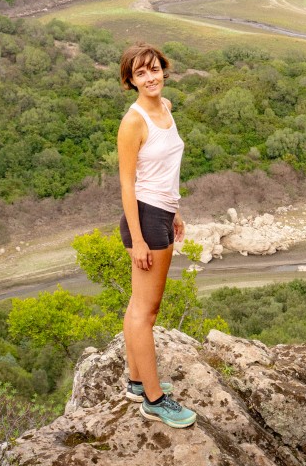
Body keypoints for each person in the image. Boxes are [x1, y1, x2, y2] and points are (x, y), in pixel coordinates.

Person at [116, 43, 197, 429]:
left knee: (139, 306)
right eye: (141, 73)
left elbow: (167, 168)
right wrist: (138, 240)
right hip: (145, 219)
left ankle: (136, 381)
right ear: (130, 81)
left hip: (162, 212)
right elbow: (127, 184)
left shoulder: (165, 109)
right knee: (146, 313)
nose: (150, 78)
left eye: (154, 69)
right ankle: (155, 400)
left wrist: (177, 209)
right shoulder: (133, 122)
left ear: (164, 70)